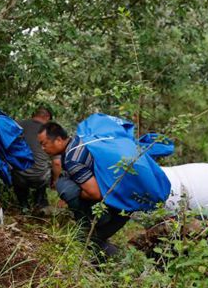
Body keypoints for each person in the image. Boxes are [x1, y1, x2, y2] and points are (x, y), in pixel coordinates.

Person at [37, 121, 129, 257]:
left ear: (58, 140)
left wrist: (75, 195)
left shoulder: (72, 159)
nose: (42, 148)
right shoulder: (80, 140)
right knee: (90, 238)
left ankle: (120, 260)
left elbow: (94, 194)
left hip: (116, 207)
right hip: (124, 199)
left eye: (44, 144)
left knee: (87, 240)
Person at [12, 106, 53, 214]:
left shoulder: (18, 125)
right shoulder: (50, 131)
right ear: (47, 117)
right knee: (47, 168)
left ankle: (24, 206)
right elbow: (57, 162)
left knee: (16, 170)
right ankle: (38, 203)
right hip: (40, 176)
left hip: (20, 175)